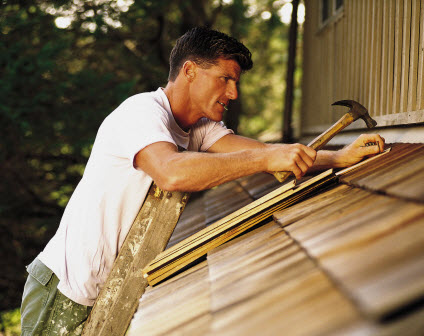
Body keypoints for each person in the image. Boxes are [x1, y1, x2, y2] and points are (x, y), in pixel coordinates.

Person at [20, 27, 385, 335]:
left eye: (236, 82)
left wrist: (337, 157)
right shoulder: (140, 113)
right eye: (225, 79)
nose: (233, 93)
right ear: (190, 71)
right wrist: (264, 157)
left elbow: (269, 152)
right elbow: (172, 171)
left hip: (103, 292)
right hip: (62, 289)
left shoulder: (199, 129)